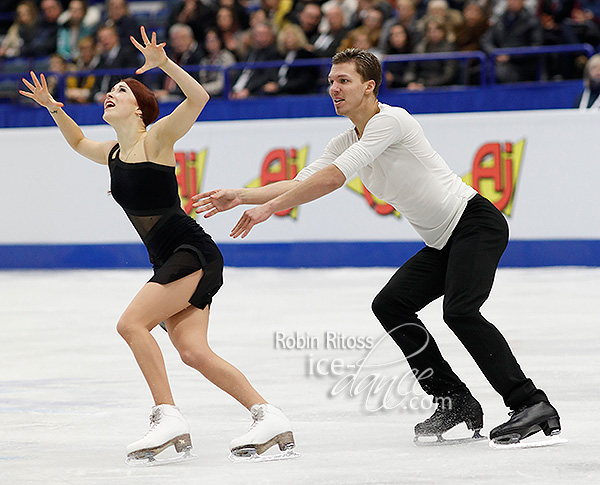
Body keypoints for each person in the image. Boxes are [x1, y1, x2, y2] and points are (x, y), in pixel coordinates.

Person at [192, 48, 562, 447]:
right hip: (443, 240)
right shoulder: (345, 139)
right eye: (331, 81)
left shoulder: (391, 121)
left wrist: (268, 208)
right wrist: (242, 195)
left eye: (344, 81)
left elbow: (333, 179)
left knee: (459, 311)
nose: (334, 88)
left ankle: (530, 403)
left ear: (369, 87)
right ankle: (453, 401)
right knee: (391, 304)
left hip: (475, 223)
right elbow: (304, 180)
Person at [19, 25, 295, 464]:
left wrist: (164, 64)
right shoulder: (112, 153)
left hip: (191, 251)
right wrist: (55, 107)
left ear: (140, 108)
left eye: (121, 91)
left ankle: (166, 415)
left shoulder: (157, 138)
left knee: (130, 325)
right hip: (172, 257)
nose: (110, 95)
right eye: (109, 91)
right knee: (193, 352)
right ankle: (269, 414)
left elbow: (199, 98)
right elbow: (76, 141)